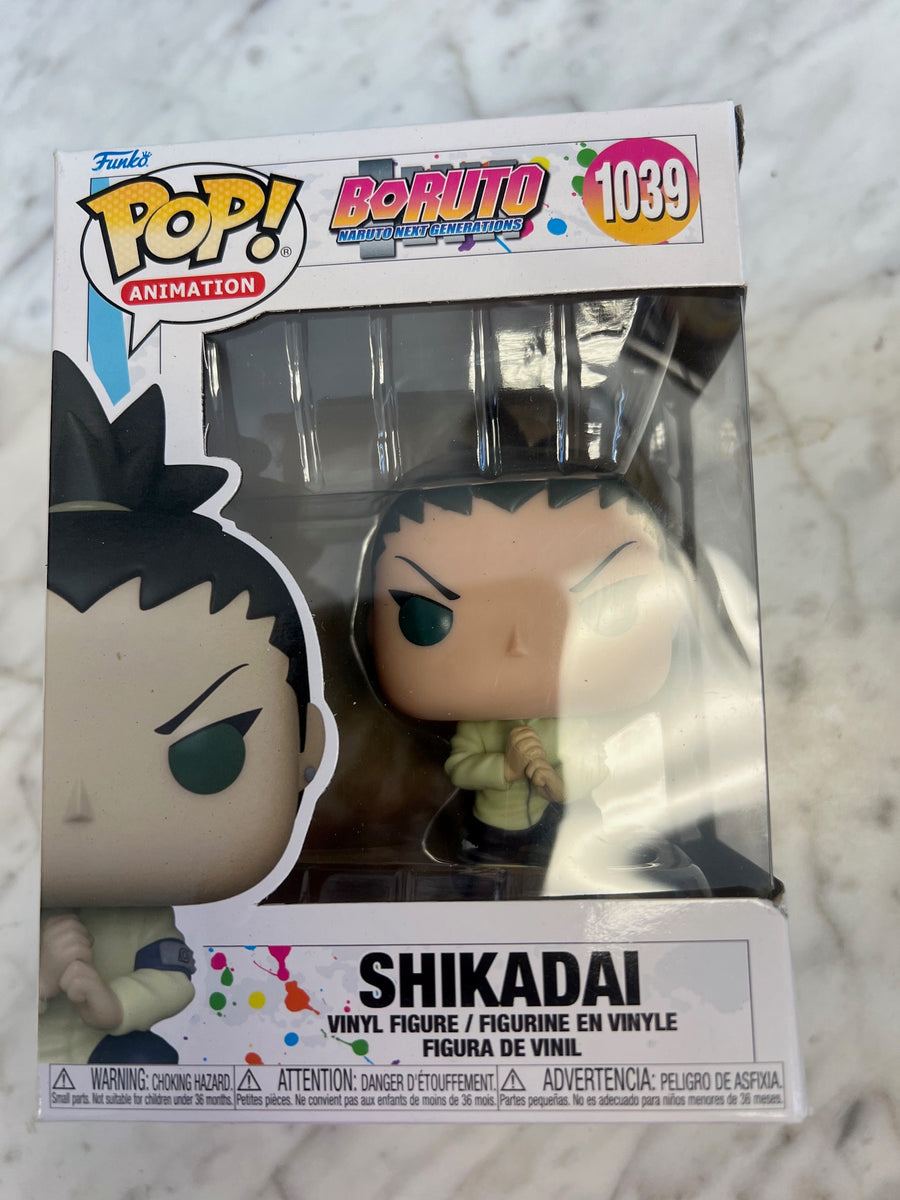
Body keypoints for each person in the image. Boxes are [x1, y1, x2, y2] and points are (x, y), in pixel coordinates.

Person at [39, 353, 323, 1064]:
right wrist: (36, 978)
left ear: (307, 749)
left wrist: (114, 1005)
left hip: (111, 1071)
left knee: (147, 1062)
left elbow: (170, 980)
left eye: (205, 755)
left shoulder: (143, 918)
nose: (77, 806)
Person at [369, 477, 682, 866]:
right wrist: (505, 767)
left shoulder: (568, 725)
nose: (517, 645)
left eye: (612, 605)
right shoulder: (479, 729)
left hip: (563, 817)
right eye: (427, 617)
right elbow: (460, 768)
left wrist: (564, 785)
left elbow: (593, 761)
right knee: (486, 864)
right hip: (495, 823)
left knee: (575, 862)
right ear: (371, 628)